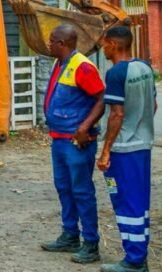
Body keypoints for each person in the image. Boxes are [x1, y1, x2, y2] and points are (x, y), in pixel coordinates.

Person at [40, 24, 106, 264]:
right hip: (59, 139)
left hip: (76, 142)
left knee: (82, 191)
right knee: (64, 188)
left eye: (51, 41)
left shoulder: (83, 67)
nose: (48, 44)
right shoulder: (61, 64)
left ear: (62, 44)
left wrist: (84, 128)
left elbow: (101, 99)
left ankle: (91, 243)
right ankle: (70, 235)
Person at [97, 26, 157, 272]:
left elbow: (116, 115)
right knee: (139, 201)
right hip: (143, 145)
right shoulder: (145, 67)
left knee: (125, 201)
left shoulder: (116, 73)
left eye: (104, 44)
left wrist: (106, 150)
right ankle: (139, 254)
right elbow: (152, 105)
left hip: (124, 148)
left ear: (112, 44)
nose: (103, 48)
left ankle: (133, 261)